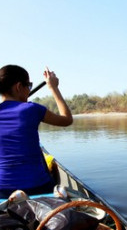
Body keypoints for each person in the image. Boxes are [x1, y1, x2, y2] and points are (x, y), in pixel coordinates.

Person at [0, 65, 73, 198]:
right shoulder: (31, 109)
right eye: (28, 86)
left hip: (2, 190)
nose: (29, 91)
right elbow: (67, 119)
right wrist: (53, 88)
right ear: (18, 87)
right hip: (37, 188)